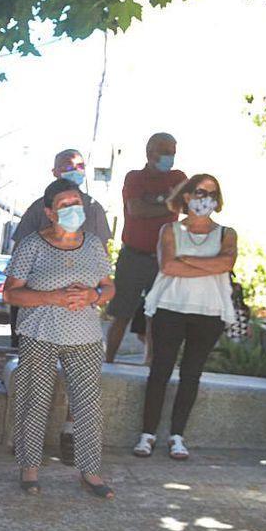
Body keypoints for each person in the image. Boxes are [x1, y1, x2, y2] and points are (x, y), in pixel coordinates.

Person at [4, 179, 117, 499]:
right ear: (50, 212)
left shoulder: (93, 244)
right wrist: (50, 297)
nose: (73, 210)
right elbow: (10, 293)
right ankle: (29, 470)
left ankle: (91, 473)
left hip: (85, 337)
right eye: (65, 205)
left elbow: (109, 287)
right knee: (33, 402)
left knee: (88, 406)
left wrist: (94, 293)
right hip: (39, 333)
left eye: (77, 203)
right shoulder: (32, 245)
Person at [134, 174, 237, 460]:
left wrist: (186, 260)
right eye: (201, 191)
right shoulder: (170, 230)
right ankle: (147, 434)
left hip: (210, 312)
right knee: (160, 371)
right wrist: (208, 265)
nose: (206, 198)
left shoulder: (227, 233)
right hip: (170, 306)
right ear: (187, 196)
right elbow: (168, 265)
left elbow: (227, 263)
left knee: (192, 373)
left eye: (213, 193)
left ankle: (177, 436)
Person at [105, 133, 188, 364]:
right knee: (121, 313)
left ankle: (149, 363)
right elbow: (137, 210)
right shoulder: (135, 178)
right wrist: (169, 204)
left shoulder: (179, 177)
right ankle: (108, 360)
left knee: (157, 314)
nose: (170, 156)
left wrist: (160, 204)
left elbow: (186, 206)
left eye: (173, 151)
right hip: (133, 254)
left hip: (164, 257)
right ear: (150, 152)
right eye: (165, 151)